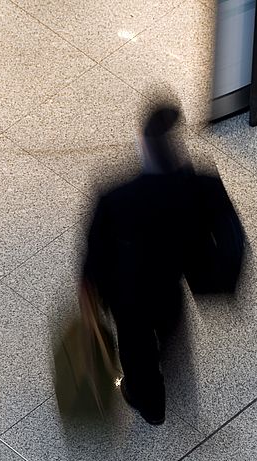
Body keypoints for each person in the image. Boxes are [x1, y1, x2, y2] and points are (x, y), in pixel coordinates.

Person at [80, 103, 198, 426]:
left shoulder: (116, 198)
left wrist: (91, 295)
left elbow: (95, 255)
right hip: (168, 287)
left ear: (143, 146)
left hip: (129, 295)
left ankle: (149, 404)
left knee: (136, 350)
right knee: (169, 329)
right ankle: (169, 363)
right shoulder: (189, 186)